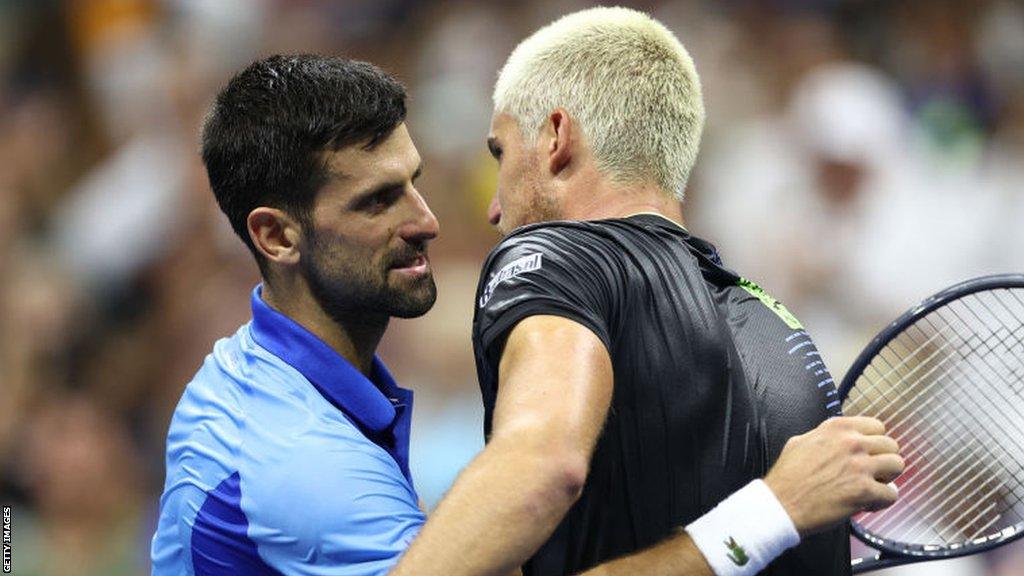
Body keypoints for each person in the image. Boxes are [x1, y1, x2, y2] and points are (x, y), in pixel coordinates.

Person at [152, 51, 901, 575]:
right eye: (377, 201)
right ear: (277, 236)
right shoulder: (304, 474)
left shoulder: (248, 379)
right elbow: (547, 470)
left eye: (412, 182)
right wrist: (770, 513)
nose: (428, 220)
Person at [407, 7, 894, 576]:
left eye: (501, 155)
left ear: (556, 138)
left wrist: (768, 513)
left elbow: (544, 464)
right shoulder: (773, 319)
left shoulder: (555, 257)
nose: (494, 209)